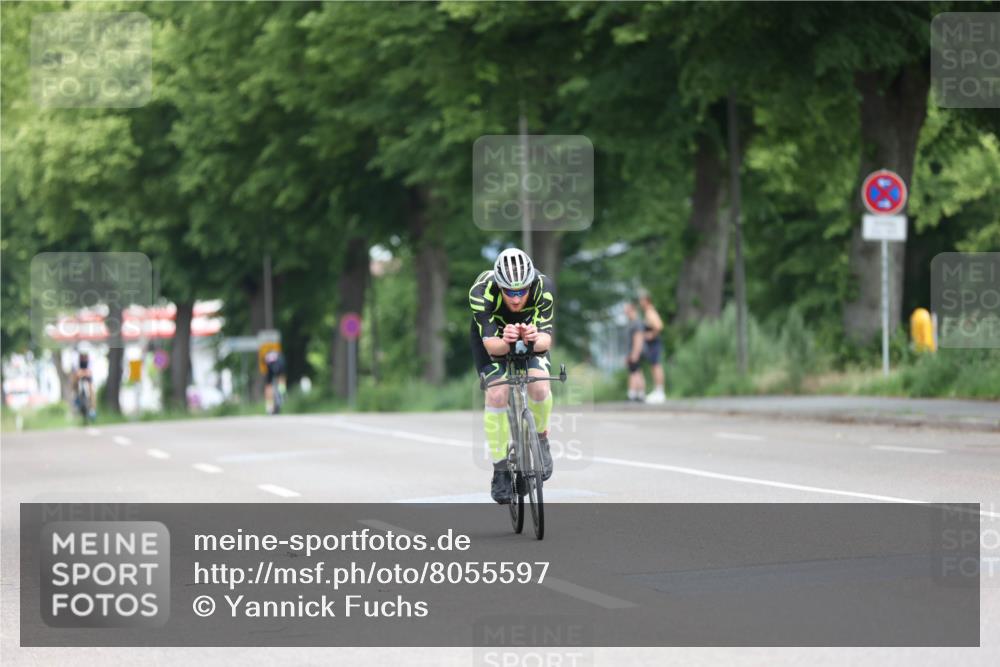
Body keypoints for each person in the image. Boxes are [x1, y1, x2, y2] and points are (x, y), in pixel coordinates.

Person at [469, 248, 555, 504]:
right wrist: (506, 341)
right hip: (493, 338)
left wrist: (532, 339)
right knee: (497, 393)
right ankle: (500, 470)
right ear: (499, 286)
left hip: (531, 335)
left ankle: (541, 440)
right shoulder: (481, 291)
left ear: (530, 284)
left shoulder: (543, 286)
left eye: (522, 291)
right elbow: (492, 347)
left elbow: (546, 340)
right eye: (509, 292)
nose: (516, 299)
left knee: (540, 387)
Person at [638, 291, 666, 403]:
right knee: (653, 366)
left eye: (641, 300)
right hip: (652, 344)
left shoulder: (650, 312)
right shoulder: (647, 312)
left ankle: (660, 391)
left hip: (654, 343)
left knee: (656, 365)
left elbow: (659, 326)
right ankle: (657, 390)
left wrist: (651, 335)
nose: (640, 303)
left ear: (646, 300)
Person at [623, 302, 647, 402]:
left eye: (626, 311)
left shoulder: (636, 323)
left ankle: (635, 394)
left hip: (636, 352)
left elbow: (639, 338)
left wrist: (635, 353)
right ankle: (637, 394)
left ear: (632, 310)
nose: (625, 313)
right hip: (632, 352)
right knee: (636, 372)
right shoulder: (631, 322)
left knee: (635, 373)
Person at [71, 351, 96, 420]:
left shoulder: (91, 357)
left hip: (87, 373)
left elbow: (90, 371)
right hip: (78, 373)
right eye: (82, 356)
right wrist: (79, 374)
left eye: (85, 356)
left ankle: (93, 409)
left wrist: (84, 373)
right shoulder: (75, 357)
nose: (84, 358)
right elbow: (76, 371)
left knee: (91, 389)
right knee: (74, 379)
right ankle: (75, 395)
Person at [263, 349, 286, 414]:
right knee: (269, 385)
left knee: (279, 380)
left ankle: (281, 393)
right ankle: (271, 405)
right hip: (275, 367)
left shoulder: (279, 361)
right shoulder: (272, 360)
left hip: (279, 367)